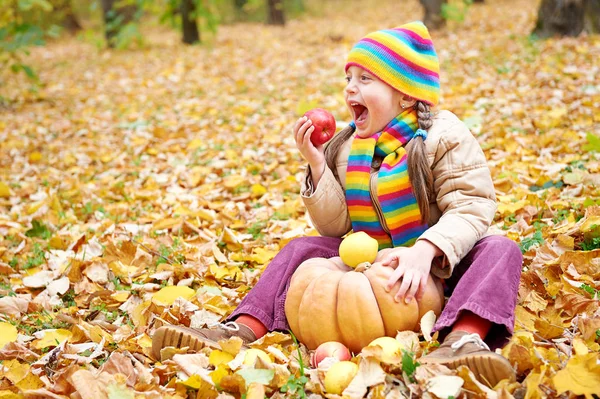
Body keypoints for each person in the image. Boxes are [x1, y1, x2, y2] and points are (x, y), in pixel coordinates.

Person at [152, 21, 522, 388]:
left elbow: (471, 204)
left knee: (500, 249)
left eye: (365, 79)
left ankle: (462, 339)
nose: (350, 89)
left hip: (438, 267)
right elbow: (334, 228)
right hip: (370, 269)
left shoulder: (443, 135)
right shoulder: (346, 146)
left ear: (406, 95)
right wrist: (317, 165)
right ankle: (241, 329)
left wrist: (426, 250)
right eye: (348, 79)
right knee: (302, 248)